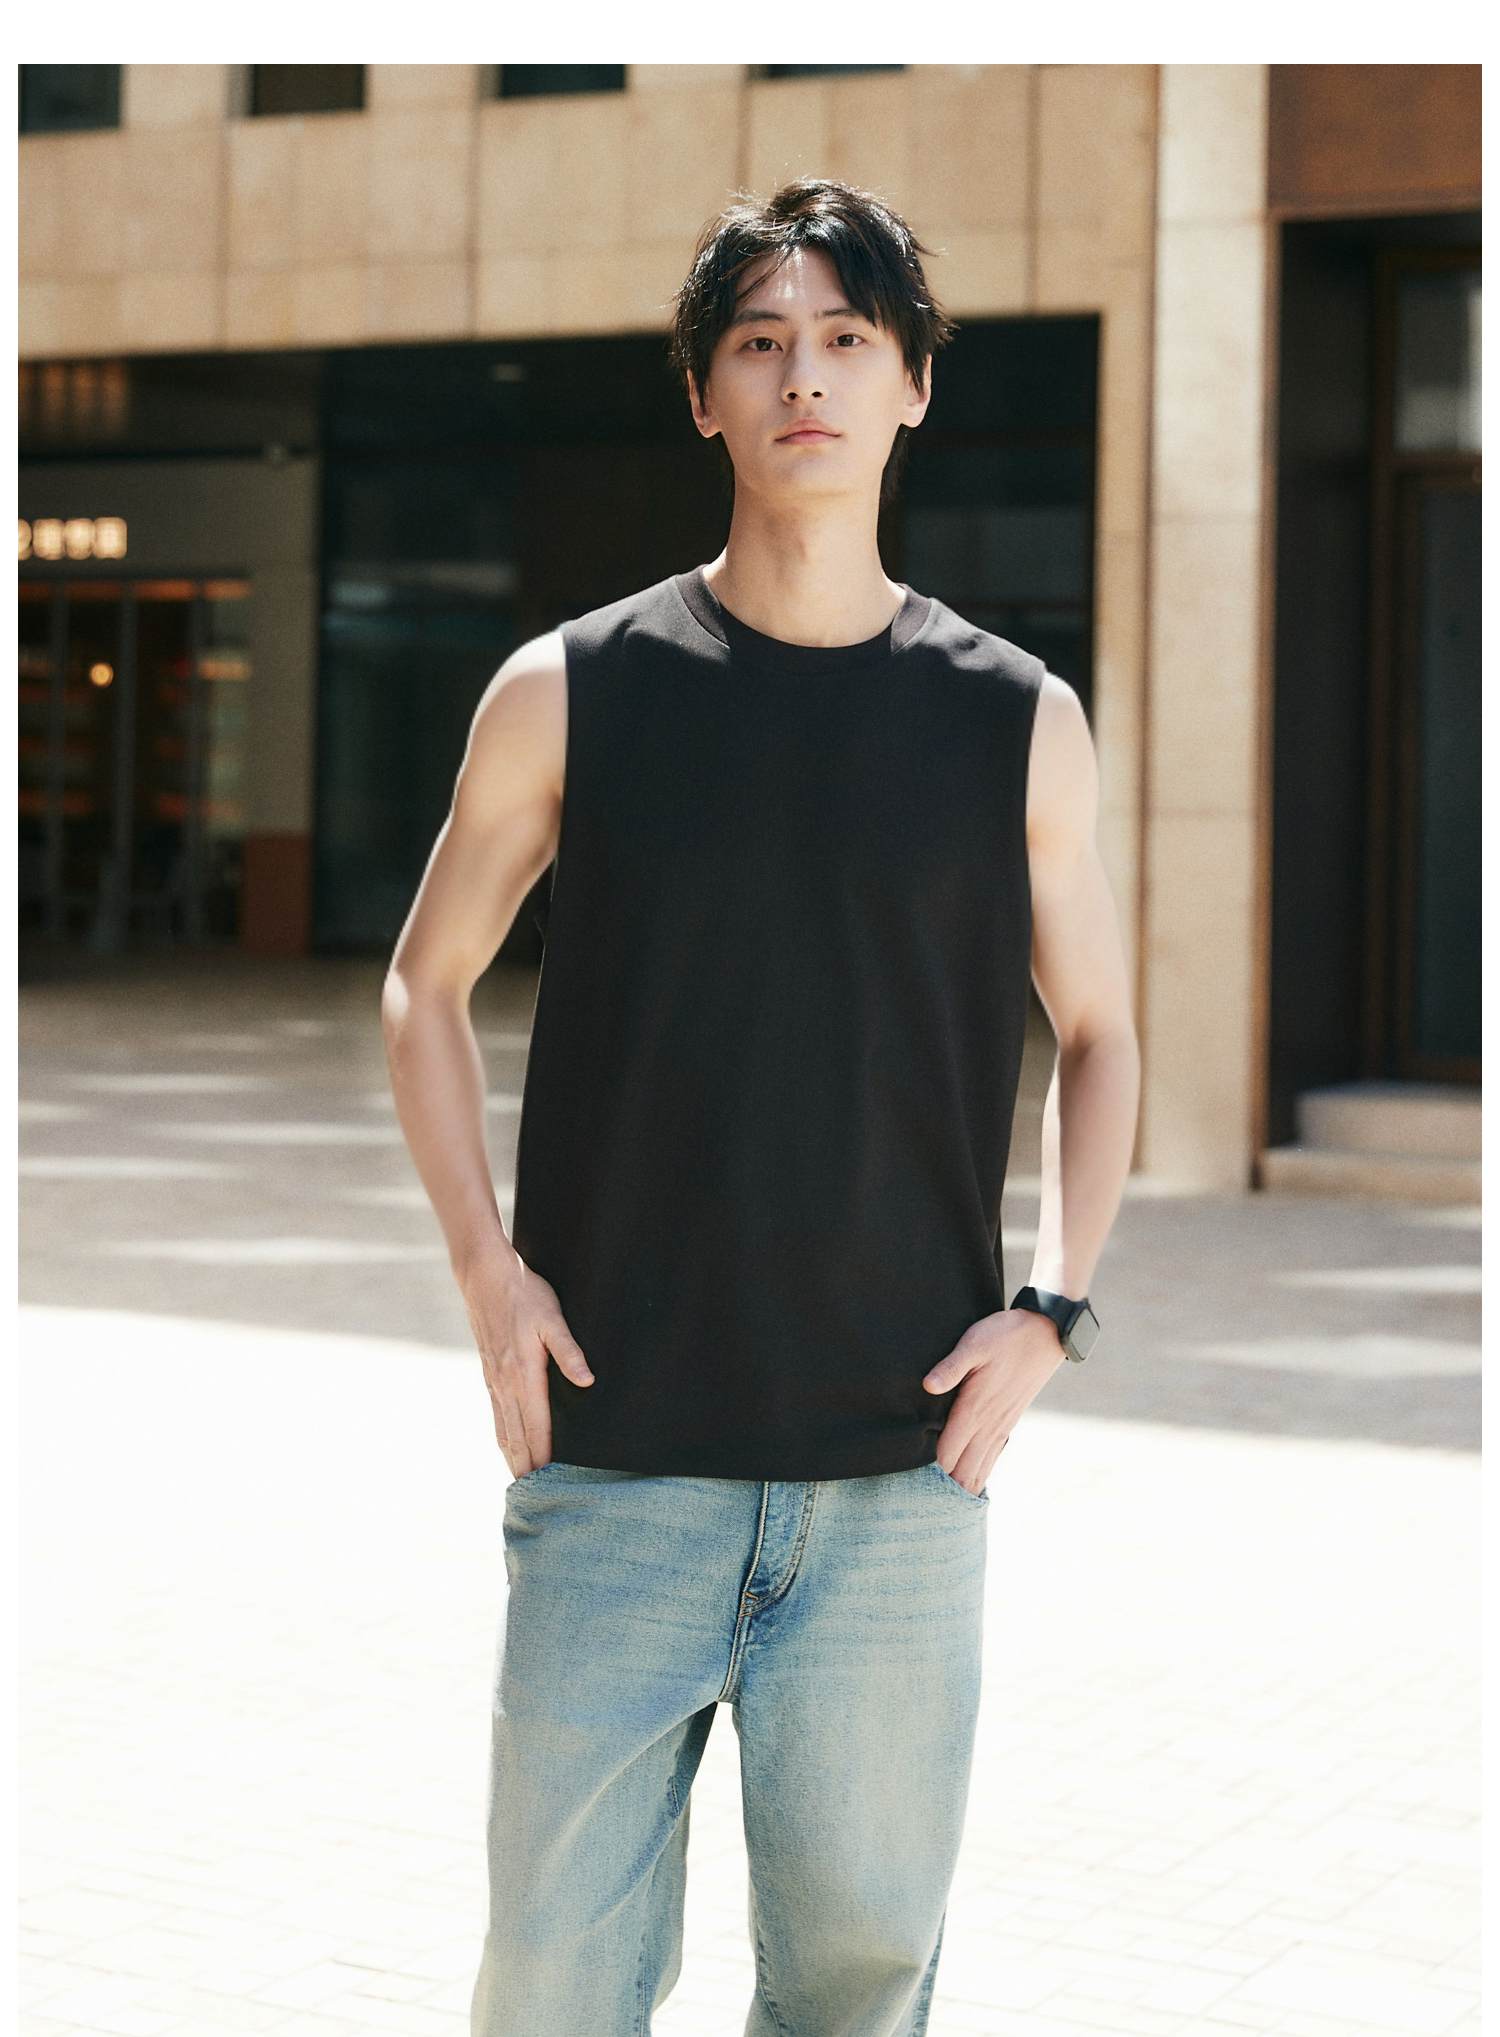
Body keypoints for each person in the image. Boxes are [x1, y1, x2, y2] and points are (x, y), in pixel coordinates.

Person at [382, 178, 1140, 2037]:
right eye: (761, 342)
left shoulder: (1017, 717)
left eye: (848, 340)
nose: (807, 378)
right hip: (617, 1460)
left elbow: (1104, 1032)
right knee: (552, 1987)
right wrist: (484, 1268)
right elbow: (421, 985)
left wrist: (1053, 1304)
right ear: (704, 394)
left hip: (898, 1480)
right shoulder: (570, 690)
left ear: (913, 386)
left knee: (858, 1993)